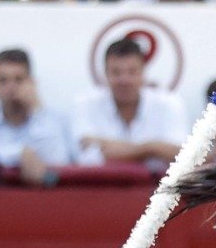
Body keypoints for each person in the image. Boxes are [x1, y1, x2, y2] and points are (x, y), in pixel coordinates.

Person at [73, 34, 188, 171]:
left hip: (158, 189)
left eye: (132, 72)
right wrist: (153, 148)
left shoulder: (169, 103)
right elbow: (87, 158)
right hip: (102, 188)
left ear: (143, 73)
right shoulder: (85, 103)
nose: (124, 80)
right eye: (116, 72)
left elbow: (182, 156)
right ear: (105, 74)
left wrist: (107, 145)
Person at [0, 47, 76, 183]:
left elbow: (58, 161)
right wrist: (20, 154)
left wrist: (37, 109)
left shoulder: (58, 121)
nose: (11, 87)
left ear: (32, 83)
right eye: (3, 81)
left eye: (18, 79)